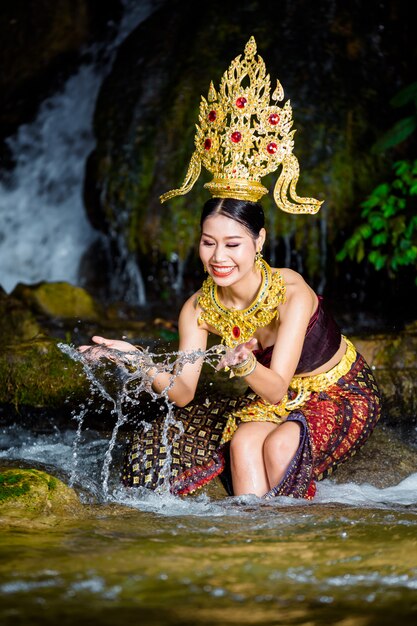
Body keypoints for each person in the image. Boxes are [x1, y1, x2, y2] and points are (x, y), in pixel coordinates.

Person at [79, 37, 381, 500]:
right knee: (242, 444)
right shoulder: (198, 309)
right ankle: (254, 550)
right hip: (265, 400)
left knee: (279, 445)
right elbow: (182, 393)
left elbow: (277, 388)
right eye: (208, 242)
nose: (219, 256)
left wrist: (242, 366)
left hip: (333, 391)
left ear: (259, 240)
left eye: (233, 243)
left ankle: (297, 554)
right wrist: (137, 361)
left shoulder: (290, 292)